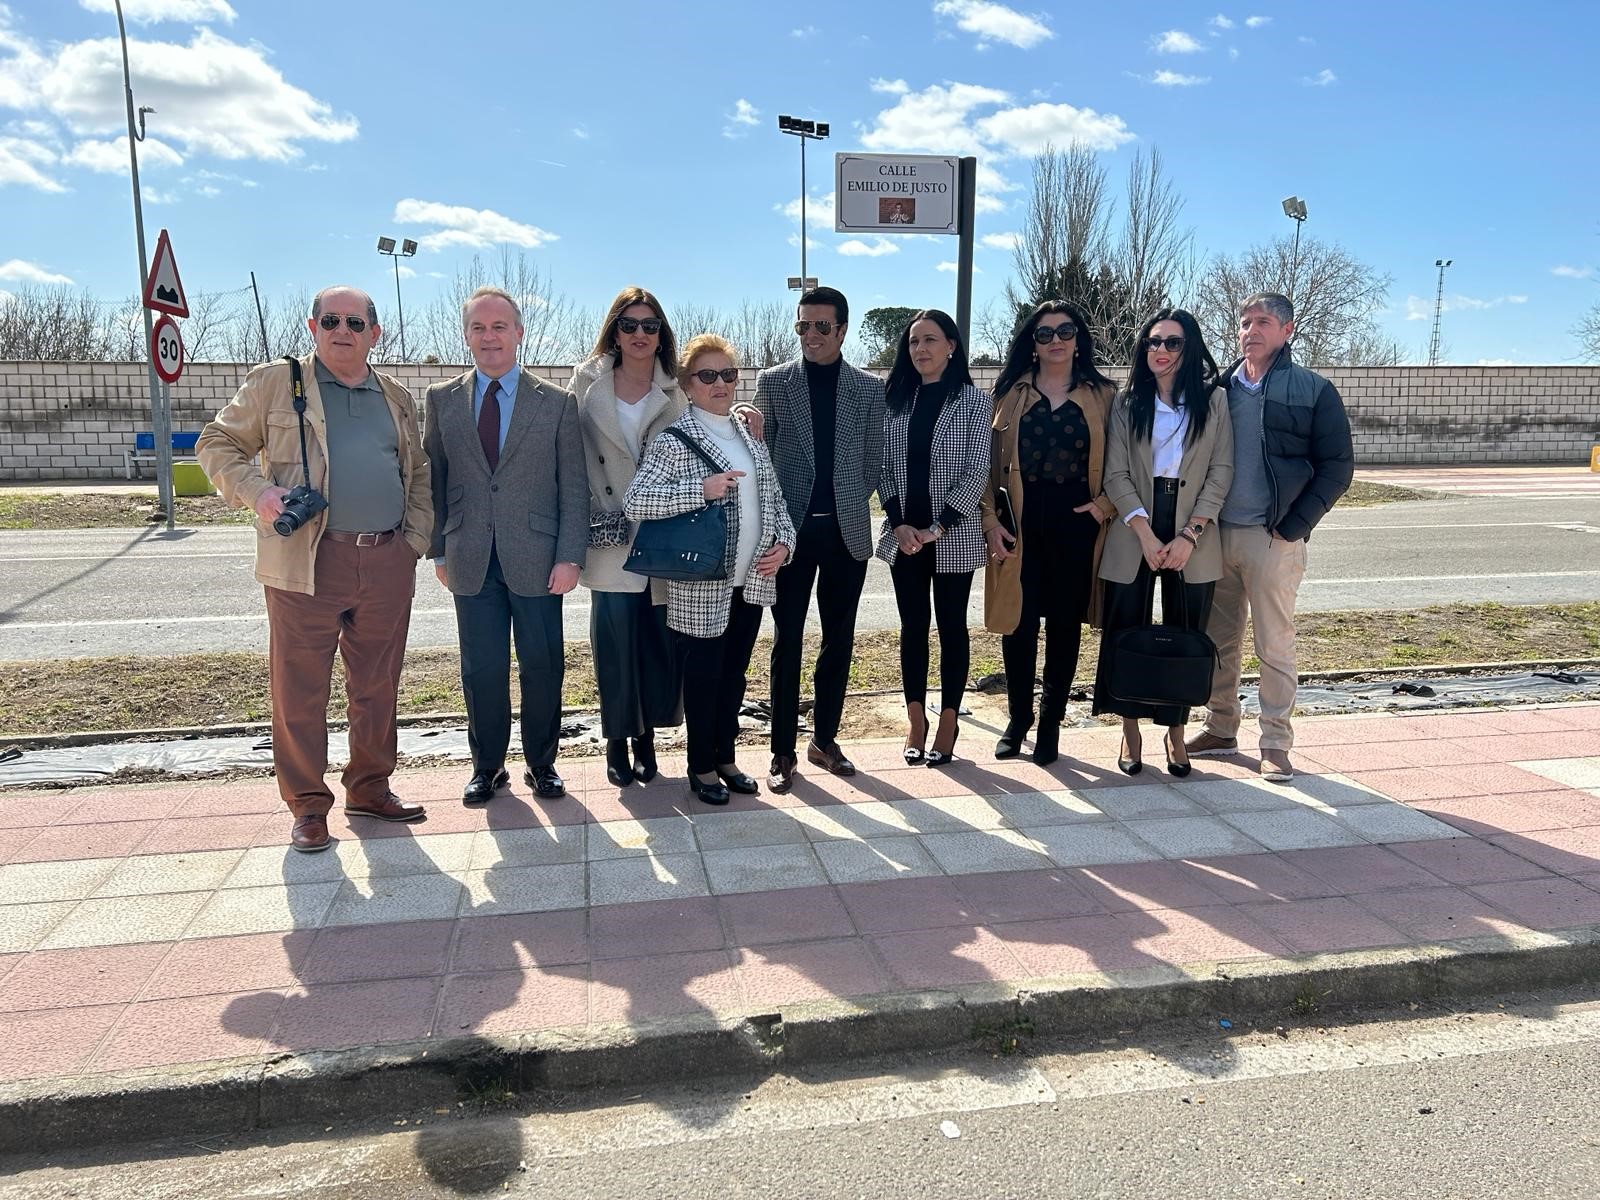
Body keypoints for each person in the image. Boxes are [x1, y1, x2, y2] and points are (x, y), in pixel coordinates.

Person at [196, 286, 432, 853]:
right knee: (299, 690)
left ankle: (370, 787)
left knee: (377, 684)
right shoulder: (278, 383)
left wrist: (413, 541)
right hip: (306, 560)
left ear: (375, 333)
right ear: (312, 326)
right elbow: (216, 443)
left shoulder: (395, 396)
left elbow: (418, 471)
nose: (342, 329)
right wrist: (259, 494)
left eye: (356, 321)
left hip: (385, 559)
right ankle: (306, 803)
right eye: (331, 319)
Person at [423, 286, 587, 804]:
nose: (489, 336)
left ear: (519, 333)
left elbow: (574, 486)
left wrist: (569, 555)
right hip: (470, 558)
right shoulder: (442, 400)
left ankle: (542, 763)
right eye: (479, 327)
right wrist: (439, 550)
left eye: (499, 327)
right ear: (466, 334)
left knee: (542, 664)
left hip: (539, 559)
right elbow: (435, 479)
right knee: (481, 668)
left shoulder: (557, 403)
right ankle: (487, 767)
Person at [1187, 292, 1353, 781]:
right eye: (1244, 322)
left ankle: (1276, 743)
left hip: (1273, 538)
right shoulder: (1218, 390)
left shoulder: (1313, 390)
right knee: (1219, 640)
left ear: (1288, 330)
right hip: (1217, 536)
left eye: (1263, 322)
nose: (1251, 331)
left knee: (1274, 644)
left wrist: (1293, 526)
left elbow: (1337, 467)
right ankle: (1221, 727)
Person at [625, 335, 796, 806]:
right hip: (702, 583)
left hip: (754, 578)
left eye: (728, 374)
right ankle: (700, 766)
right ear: (687, 384)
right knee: (702, 678)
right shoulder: (675, 440)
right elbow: (636, 501)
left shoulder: (749, 435)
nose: (720, 384)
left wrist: (785, 545)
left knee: (735, 675)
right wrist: (700, 489)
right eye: (707, 375)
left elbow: (775, 500)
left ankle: (726, 756)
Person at [750, 286, 885, 793]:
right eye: (802, 326)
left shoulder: (869, 388)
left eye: (821, 327)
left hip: (847, 532)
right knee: (787, 643)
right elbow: (761, 458)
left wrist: (852, 496)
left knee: (839, 640)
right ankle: (782, 751)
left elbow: (874, 457)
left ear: (842, 330)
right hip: (790, 536)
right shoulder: (775, 382)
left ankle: (824, 740)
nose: (811, 335)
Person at [1094, 308, 1234, 776]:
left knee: (1187, 635)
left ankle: (1176, 731)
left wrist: (1190, 534)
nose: (1161, 351)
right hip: (1136, 525)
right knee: (1124, 631)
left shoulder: (1213, 401)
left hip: (1194, 530)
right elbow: (1114, 471)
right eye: (1153, 342)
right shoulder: (1127, 401)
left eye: (1172, 343)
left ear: (1189, 348)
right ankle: (1129, 728)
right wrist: (1145, 530)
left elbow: (1221, 471)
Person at [979, 301, 1117, 766]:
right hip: (1019, 522)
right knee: (1018, 623)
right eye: (1044, 333)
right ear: (1032, 344)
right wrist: (991, 522)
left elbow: (1126, 461)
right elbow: (985, 465)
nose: (1055, 339)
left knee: (1063, 625)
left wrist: (1104, 506)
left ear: (1079, 338)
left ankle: (1051, 723)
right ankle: (1018, 720)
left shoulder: (1104, 395)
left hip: (1077, 523)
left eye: (1065, 330)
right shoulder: (1008, 394)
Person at [570, 287, 686, 787]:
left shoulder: (677, 388)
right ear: (614, 330)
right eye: (630, 324)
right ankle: (617, 739)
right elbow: (569, 454)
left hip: (661, 531)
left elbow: (709, 430)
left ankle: (648, 739)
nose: (640, 334)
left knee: (656, 642)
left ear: (662, 334)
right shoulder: (586, 382)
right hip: (609, 530)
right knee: (614, 641)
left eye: (650, 325)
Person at [874, 310, 991, 767]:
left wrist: (937, 527)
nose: (919, 349)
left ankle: (948, 719)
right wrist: (899, 521)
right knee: (913, 628)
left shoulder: (974, 402)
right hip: (903, 536)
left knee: (952, 628)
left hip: (952, 536)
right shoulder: (895, 400)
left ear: (951, 346)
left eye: (929, 340)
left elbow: (976, 470)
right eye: (913, 342)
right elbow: (881, 466)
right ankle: (916, 719)